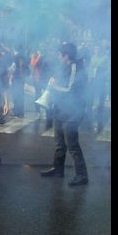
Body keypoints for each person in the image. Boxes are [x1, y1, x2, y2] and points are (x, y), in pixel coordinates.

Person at [40, 42, 89, 186]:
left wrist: (55, 86)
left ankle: (82, 175)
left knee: (72, 145)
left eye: (60, 54)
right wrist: (53, 83)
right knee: (59, 142)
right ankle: (58, 168)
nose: (58, 56)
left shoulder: (76, 67)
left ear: (66, 56)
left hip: (73, 112)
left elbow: (70, 90)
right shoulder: (64, 66)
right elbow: (61, 85)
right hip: (61, 110)